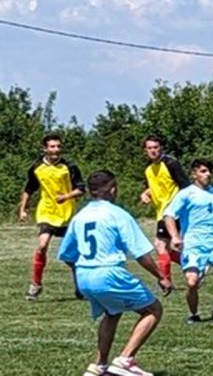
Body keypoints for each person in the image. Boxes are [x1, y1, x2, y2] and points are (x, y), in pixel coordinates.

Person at [58, 170, 172, 376]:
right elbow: (141, 254)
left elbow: (67, 254)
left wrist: (81, 272)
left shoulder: (79, 216)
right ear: (112, 189)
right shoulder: (117, 213)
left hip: (84, 275)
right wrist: (161, 277)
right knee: (153, 310)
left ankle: (99, 365)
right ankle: (125, 360)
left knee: (112, 312)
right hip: (108, 272)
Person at [163, 158, 213, 325]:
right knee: (192, 282)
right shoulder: (186, 194)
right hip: (193, 244)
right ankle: (194, 313)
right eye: (203, 171)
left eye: (209, 171)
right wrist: (175, 236)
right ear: (194, 174)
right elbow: (169, 215)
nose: (208, 175)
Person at [19, 133, 86, 301]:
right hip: (46, 212)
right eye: (52, 146)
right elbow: (29, 189)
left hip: (67, 214)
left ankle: (80, 286)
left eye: (58, 146)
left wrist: (67, 196)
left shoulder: (69, 166)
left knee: (71, 255)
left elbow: (81, 189)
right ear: (45, 149)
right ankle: (36, 285)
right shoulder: (36, 167)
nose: (56, 150)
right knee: (42, 245)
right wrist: (23, 209)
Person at [139, 135, 190, 283]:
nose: (153, 151)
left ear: (161, 148)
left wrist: (178, 207)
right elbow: (151, 187)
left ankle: (165, 281)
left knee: (160, 245)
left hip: (172, 212)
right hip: (161, 211)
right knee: (166, 249)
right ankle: (192, 265)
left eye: (155, 147)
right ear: (145, 150)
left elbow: (186, 186)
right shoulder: (148, 168)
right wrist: (145, 194)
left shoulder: (171, 163)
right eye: (149, 148)